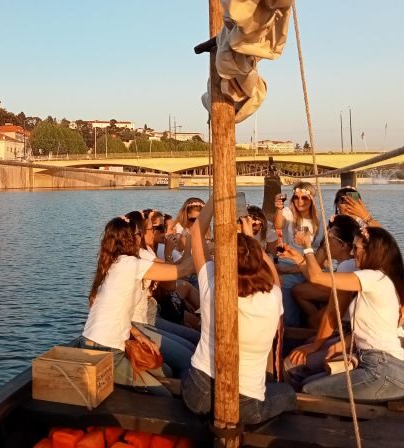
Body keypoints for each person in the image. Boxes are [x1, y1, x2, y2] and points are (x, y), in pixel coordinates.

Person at [181, 198, 296, 424]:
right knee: (288, 394)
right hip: (246, 402)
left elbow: (196, 233)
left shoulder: (213, 284)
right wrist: (250, 239)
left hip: (201, 392)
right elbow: (272, 275)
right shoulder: (271, 297)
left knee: (188, 373)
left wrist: (215, 199)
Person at [280, 226, 404, 402]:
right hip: (369, 359)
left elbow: (317, 278)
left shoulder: (374, 278)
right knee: (307, 380)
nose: (352, 252)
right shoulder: (377, 279)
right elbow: (372, 326)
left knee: (308, 388)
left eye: (356, 248)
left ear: (372, 252)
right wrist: (343, 344)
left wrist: (307, 246)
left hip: (383, 370)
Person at [79, 214, 195, 396]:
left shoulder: (112, 263)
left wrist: (139, 335)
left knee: (166, 370)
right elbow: (181, 271)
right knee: (163, 395)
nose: (140, 237)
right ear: (130, 239)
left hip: (99, 342)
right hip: (104, 349)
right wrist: (199, 248)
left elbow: (115, 312)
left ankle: (150, 385)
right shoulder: (130, 264)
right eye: (138, 233)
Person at [130, 210, 199, 377]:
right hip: (141, 320)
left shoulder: (145, 252)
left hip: (149, 315)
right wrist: (196, 244)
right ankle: (190, 392)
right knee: (189, 356)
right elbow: (171, 283)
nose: (157, 232)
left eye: (159, 228)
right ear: (138, 233)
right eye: (154, 228)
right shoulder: (141, 256)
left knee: (195, 340)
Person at [290, 214, 359, 329]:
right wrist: (297, 259)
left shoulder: (347, 266)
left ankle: (321, 329)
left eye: (329, 237)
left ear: (343, 245)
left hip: (347, 320)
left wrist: (307, 246)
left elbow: (317, 280)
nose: (325, 241)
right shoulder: (348, 263)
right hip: (340, 304)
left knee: (311, 321)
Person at [273, 182, 324, 325]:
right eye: (296, 197)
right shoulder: (288, 213)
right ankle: (291, 328)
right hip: (289, 263)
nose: (300, 201)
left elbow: (322, 247)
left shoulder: (319, 219)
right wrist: (278, 209)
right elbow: (278, 224)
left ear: (312, 199)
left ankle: (314, 327)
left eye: (304, 198)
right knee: (287, 289)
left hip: (309, 266)